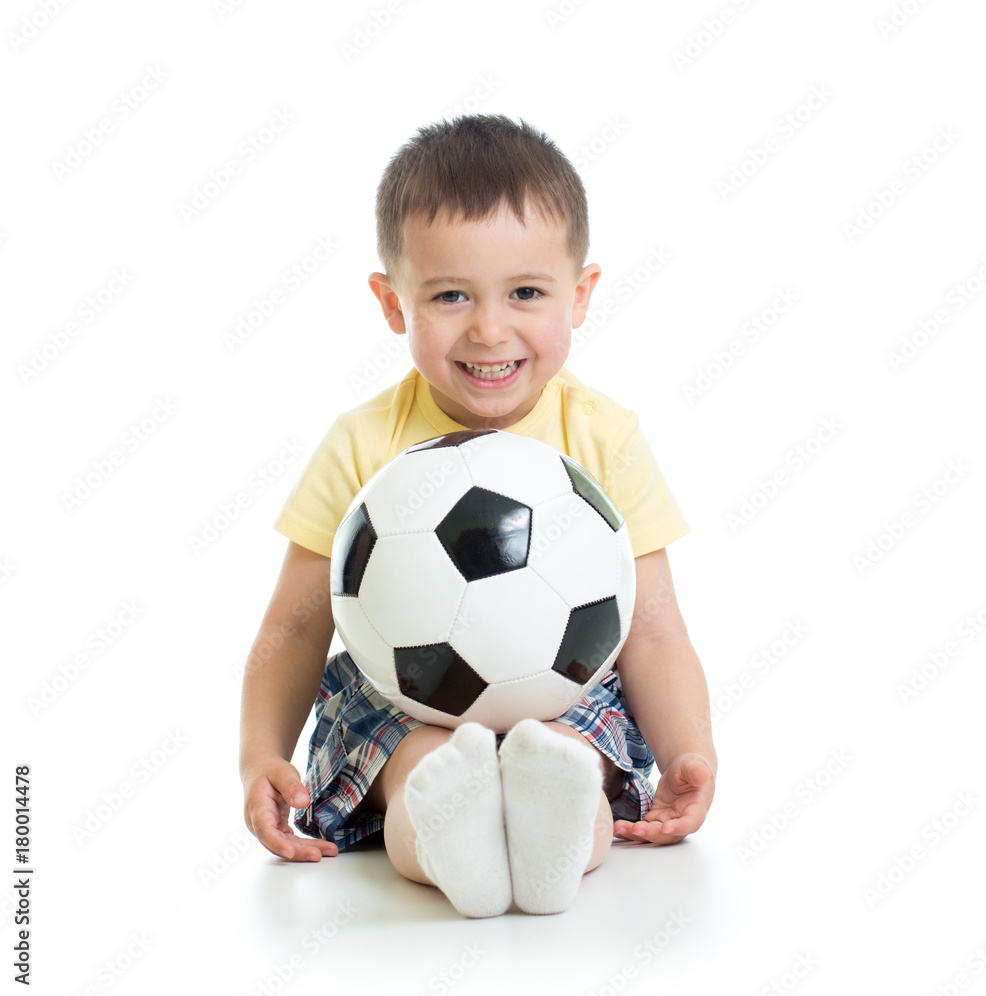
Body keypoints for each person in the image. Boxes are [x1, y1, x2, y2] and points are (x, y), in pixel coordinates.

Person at [239, 113, 717, 919]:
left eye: (526, 293)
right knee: (423, 775)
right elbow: (293, 626)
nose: (490, 330)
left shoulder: (602, 438)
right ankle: (454, 843)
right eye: (451, 295)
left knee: (570, 766)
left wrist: (687, 751)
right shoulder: (364, 443)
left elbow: (656, 629)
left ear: (582, 294)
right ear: (392, 303)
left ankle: (556, 838)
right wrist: (259, 753)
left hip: (565, 698)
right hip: (402, 701)